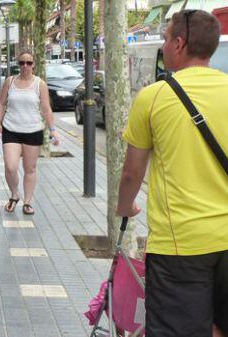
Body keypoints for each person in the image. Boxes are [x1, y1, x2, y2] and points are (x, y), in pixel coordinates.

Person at [115, 10, 227, 337]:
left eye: (165, 38)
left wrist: (125, 208)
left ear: (179, 44)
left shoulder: (154, 97)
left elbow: (131, 174)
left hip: (180, 248)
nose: (163, 45)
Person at [0, 51, 59, 215]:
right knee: (10, 166)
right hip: (11, 129)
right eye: (22, 62)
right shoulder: (10, 81)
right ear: (18, 64)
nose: (25, 66)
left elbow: (46, 108)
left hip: (33, 130)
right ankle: (15, 194)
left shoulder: (39, 84)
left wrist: (53, 130)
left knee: (30, 168)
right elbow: (1, 103)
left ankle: (28, 201)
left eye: (28, 63)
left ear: (33, 65)